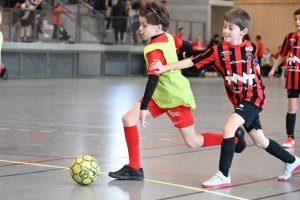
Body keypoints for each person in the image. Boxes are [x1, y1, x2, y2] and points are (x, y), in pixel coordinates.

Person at [150, 7, 300, 188]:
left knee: (228, 129)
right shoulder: (218, 51)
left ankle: (223, 175)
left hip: (254, 97)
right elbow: (192, 61)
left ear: (243, 32)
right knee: (260, 141)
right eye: (224, 27)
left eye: (231, 28)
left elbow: (255, 66)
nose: (225, 31)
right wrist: (165, 67)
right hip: (239, 101)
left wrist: (258, 75)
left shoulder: (250, 47)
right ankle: (292, 161)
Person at [108, 2, 246, 181]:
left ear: (158, 27)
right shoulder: (168, 37)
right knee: (128, 119)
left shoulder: (154, 50)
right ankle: (135, 168)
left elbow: (153, 78)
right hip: (160, 95)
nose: (140, 29)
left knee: (193, 141)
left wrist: (143, 107)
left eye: (144, 25)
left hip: (174, 96)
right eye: (140, 24)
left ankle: (235, 140)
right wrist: (185, 56)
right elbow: (188, 45)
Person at [268, 9, 300, 149]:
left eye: (299, 19)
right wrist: (273, 68)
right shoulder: (289, 37)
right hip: (293, 78)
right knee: (292, 107)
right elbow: (282, 55)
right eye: (295, 19)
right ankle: (290, 137)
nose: (297, 22)